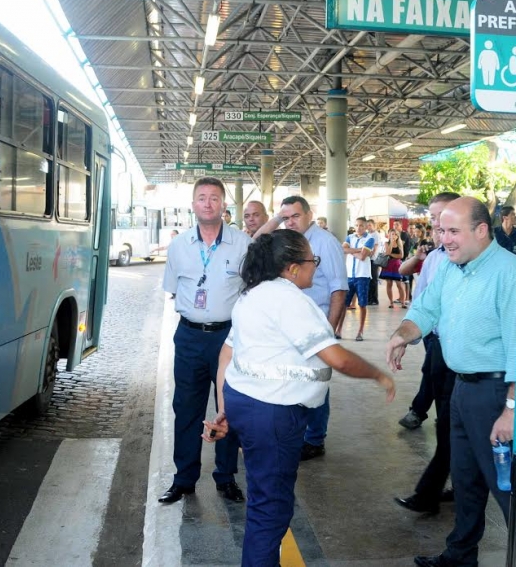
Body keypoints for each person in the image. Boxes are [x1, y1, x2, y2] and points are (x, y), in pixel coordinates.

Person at [203, 230, 395, 566]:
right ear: (292, 268)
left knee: (264, 500)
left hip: (244, 402)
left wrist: (225, 409)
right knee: (271, 509)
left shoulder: (254, 295)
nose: (315, 269)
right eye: (312, 262)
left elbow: (226, 355)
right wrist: (378, 374)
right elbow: (338, 358)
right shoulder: (291, 301)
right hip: (273, 414)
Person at [386, 197, 516, 567]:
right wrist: (403, 334)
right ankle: (460, 556)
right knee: (465, 481)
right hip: (461, 388)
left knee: (509, 488)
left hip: (494, 393)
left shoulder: (510, 273)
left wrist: (512, 410)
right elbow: (426, 309)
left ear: (481, 230)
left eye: (452, 231)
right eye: (440, 230)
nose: (443, 238)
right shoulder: (450, 266)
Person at [159, 177, 250, 504]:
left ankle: (226, 477)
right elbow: (173, 289)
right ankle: (183, 479)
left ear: (223, 205)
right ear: (193, 205)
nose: (208, 203)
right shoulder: (179, 245)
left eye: (214, 198)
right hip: (189, 337)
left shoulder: (243, 244)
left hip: (229, 337)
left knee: (230, 407)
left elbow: (252, 291)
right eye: (202, 198)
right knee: (185, 407)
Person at [254, 196, 348, 461]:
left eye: (296, 216)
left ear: (309, 215)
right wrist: (277, 220)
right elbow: (256, 242)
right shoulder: (285, 241)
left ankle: (315, 439)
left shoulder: (325, 242)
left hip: (315, 325)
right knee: (295, 378)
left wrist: (328, 332)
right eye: (286, 217)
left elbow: (338, 288)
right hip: (287, 324)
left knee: (316, 381)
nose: (291, 221)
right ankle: (297, 433)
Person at [394, 193, 461, 514]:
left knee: (450, 424)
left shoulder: (481, 263)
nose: (436, 225)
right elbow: (423, 304)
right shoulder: (436, 258)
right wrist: (405, 335)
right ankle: (451, 488)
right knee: (447, 423)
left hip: (461, 355)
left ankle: (430, 493)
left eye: (442, 217)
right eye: (434, 218)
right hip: (437, 345)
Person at [338, 217, 374, 341]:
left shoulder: (369, 239)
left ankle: (360, 331)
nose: (359, 228)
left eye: (361, 226)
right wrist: (359, 250)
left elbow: (363, 257)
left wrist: (351, 251)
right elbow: (342, 249)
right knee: (344, 304)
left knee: (362, 304)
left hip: (362, 276)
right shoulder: (350, 237)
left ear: (366, 226)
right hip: (350, 276)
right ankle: (338, 330)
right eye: (357, 225)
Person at [379, 229, 407, 309]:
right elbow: (388, 252)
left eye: (395, 234)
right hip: (388, 265)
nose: (393, 236)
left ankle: (403, 302)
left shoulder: (400, 243)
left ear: (397, 235)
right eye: (392, 234)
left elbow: (401, 256)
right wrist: (391, 242)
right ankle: (391, 302)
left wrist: (391, 254)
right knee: (389, 284)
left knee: (399, 284)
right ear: (389, 235)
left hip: (397, 265)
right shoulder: (386, 243)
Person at [367, 220, 383, 306]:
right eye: (367, 225)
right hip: (369, 259)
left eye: (370, 225)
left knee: (373, 279)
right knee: (369, 279)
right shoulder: (368, 234)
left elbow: (375, 247)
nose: (368, 227)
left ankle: (374, 299)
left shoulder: (375, 234)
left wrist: (371, 254)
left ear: (374, 226)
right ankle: (369, 298)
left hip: (374, 259)